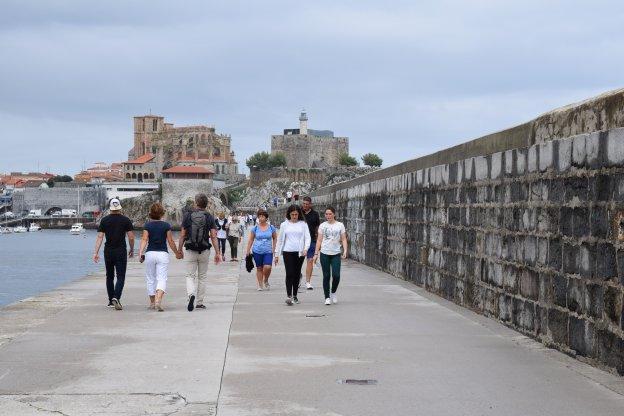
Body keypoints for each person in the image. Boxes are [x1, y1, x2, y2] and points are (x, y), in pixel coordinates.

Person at [177, 193, 221, 312]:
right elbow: (213, 236)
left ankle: (191, 294)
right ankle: (200, 303)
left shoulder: (188, 215)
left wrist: (179, 250)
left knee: (190, 276)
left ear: (196, 203)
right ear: (206, 204)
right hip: (204, 250)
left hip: (190, 249)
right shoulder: (209, 216)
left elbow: (182, 235)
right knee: (202, 277)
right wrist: (218, 253)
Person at [93, 198, 134, 310]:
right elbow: (131, 237)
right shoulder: (126, 220)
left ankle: (111, 300)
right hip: (121, 250)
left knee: (109, 276)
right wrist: (132, 248)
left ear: (110, 208)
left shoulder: (104, 220)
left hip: (108, 251)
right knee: (120, 276)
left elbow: (100, 237)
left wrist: (95, 252)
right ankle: (116, 297)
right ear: (119, 207)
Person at [138, 202, 180, 312]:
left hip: (150, 254)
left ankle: (152, 302)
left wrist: (140, 253)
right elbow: (170, 241)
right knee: (162, 278)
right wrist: (176, 252)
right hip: (162, 254)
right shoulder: (166, 226)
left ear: (150, 214)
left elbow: (144, 239)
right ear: (162, 214)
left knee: (150, 278)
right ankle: (158, 300)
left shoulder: (147, 225)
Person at [275, 205, 311, 305]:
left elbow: (308, 238)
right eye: (292, 214)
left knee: (296, 274)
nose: (294, 216)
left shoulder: (303, 224)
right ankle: (289, 296)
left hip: (300, 252)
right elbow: (280, 240)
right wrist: (276, 254)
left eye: (296, 214)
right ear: (289, 214)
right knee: (289, 273)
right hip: (288, 251)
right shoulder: (284, 225)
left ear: (299, 214)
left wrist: (305, 249)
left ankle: (295, 295)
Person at [313, 207, 348, 305]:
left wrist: (345, 250)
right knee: (326, 276)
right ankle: (327, 297)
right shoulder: (322, 226)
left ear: (334, 214)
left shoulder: (340, 225)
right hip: (325, 253)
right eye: (326, 214)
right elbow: (319, 240)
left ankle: (333, 291)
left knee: (336, 275)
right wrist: (316, 253)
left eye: (330, 214)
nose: (328, 216)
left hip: (336, 253)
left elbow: (344, 239)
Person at [245, 209, 277, 291]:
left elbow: (275, 238)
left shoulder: (271, 227)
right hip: (257, 250)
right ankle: (260, 285)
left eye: (263, 216)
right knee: (259, 268)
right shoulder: (255, 228)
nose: (261, 218)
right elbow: (251, 240)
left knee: (268, 267)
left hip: (268, 251)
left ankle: (266, 279)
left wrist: (274, 248)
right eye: (259, 216)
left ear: (266, 218)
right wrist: (248, 250)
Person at [301, 196, 320, 290]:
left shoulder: (315, 214)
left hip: (312, 240)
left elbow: (317, 228)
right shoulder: (298, 213)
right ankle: (298, 276)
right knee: (297, 262)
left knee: (310, 260)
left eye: (307, 204)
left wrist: (318, 242)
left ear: (310, 205)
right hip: (299, 241)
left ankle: (308, 282)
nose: (305, 205)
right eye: (303, 203)